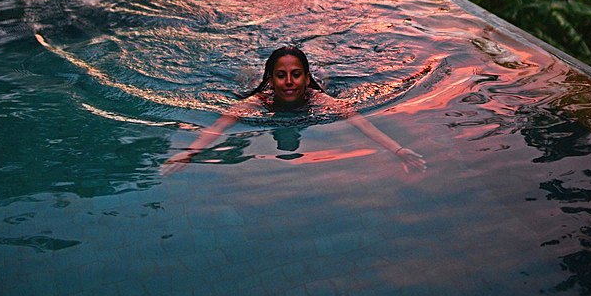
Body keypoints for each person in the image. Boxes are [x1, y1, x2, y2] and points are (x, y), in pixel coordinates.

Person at [161, 45, 426, 176]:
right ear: (272, 80)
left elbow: (362, 123)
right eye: (281, 76)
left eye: (296, 75)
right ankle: (256, 70)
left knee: (325, 76)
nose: (289, 82)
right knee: (246, 75)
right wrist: (188, 153)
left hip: (320, 79)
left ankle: (316, 64)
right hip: (257, 80)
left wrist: (398, 150)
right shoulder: (257, 103)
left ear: (305, 77)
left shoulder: (320, 101)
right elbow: (218, 127)